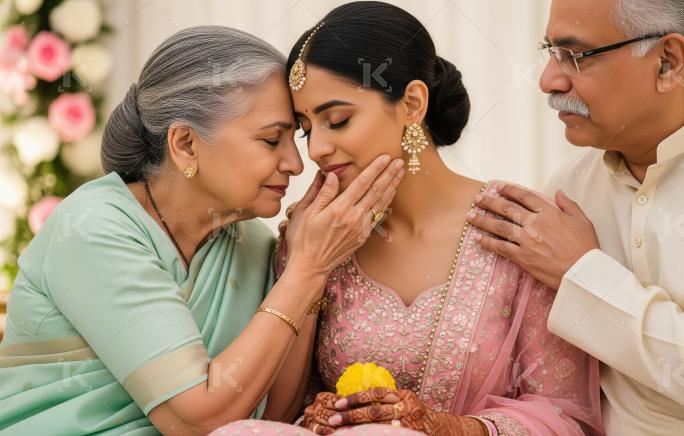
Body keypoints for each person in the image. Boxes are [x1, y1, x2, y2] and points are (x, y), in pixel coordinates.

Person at [213, 2, 604, 435]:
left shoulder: (517, 226)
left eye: (337, 120)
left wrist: (446, 428)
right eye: (307, 128)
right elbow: (279, 416)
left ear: (413, 104)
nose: (316, 150)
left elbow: (565, 416)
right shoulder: (319, 239)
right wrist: (308, 266)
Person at [0, 26, 404, 435]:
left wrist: (306, 269)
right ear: (186, 144)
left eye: (294, 139)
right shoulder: (93, 227)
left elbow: (273, 417)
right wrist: (307, 269)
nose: (296, 164)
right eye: (271, 140)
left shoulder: (251, 242)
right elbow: (196, 421)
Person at [468, 0, 684, 434]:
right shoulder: (570, 187)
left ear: (668, 62)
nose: (548, 80)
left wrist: (581, 272)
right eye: (550, 52)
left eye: (575, 55)